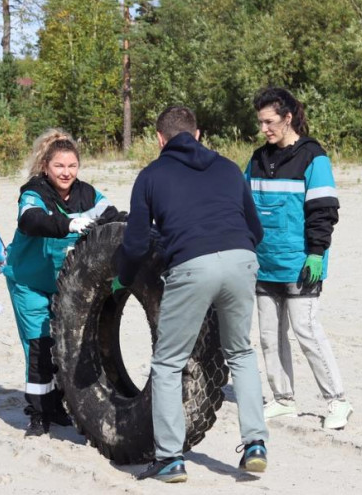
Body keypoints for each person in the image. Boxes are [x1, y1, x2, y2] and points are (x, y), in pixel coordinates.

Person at [116, 106, 269, 482]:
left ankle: (170, 458)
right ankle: (255, 444)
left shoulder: (151, 175)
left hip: (192, 264)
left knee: (168, 362)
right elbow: (256, 229)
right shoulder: (228, 167)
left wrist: (122, 278)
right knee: (241, 352)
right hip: (241, 258)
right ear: (198, 134)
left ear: (159, 139)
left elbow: (135, 244)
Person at [3, 129, 125, 436]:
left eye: (72, 166)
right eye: (59, 166)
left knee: (64, 345)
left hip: (64, 285)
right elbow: (30, 220)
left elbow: (112, 217)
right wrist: (69, 223)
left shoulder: (87, 194)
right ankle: (38, 413)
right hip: (28, 281)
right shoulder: (34, 192)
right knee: (40, 345)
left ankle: (57, 406)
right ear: (46, 166)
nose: (66, 172)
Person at [246, 87, 353, 429]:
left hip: (301, 263)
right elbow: (244, 208)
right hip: (265, 264)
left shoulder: (313, 158)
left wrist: (316, 254)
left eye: (270, 121)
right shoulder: (257, 160)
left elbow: (324, 210)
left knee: (305, 330)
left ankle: (337, 401)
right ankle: (283, 399)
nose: (264, 129)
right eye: (261, 122)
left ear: (288, 118)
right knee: (268, 335)